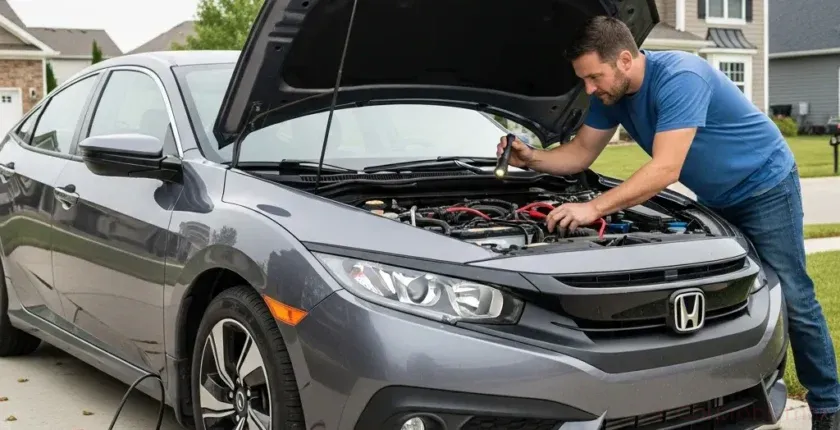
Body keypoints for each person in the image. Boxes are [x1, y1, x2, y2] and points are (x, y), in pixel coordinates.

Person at [496, 15, 840, 429]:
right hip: (716, 195)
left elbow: (665, 168)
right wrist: (530, 157)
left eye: (594, 77)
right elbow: (579, 155)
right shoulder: (614, 97)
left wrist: (594, 209)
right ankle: (745, 391)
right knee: (738, 297)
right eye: (584, 80)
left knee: (794, 298)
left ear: (624, 59)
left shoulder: (681, 76)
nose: (589, 89)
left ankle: (828, 408)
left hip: (765, 185)